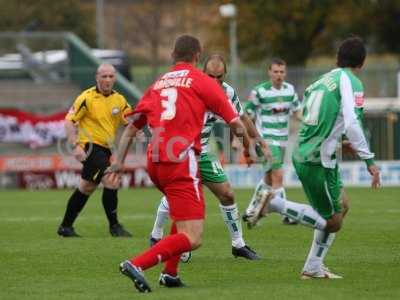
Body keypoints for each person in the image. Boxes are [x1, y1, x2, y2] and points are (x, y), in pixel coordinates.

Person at [109, 35, 269, 293]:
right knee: (194, 237)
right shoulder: (202, 82)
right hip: (182, 160)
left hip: (155, 160)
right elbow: (236, 123)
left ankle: (170, 274)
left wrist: (118, 161)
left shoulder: (159, 83)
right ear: (198, 55)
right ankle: (137, 264)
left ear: (173, 55)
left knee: (182, 216)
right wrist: (249, 149)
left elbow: (131, 127)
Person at [248, 36, 381, 279]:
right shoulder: (352, 82)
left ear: (338, 59)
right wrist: (369, 161)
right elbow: (352, 122)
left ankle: (312, 266)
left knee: (343, 206)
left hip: (312, 153)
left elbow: (319, 120)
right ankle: (276, 204)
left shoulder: (324, 80)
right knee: (334, 221)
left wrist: (339, 142)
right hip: (316, 159)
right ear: (361, 62)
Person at [148, 54, 271, 261]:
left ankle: (238, 244)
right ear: (202, 73)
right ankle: (157, 236)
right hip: (181, 152)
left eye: (219, 77)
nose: (214, 81)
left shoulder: (227, 92)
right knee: (176, 197)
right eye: (210, 76)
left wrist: (256, 142)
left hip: (202, 152)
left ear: (225, 75)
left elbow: (240, 118)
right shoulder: (190, 88)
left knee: (227, 194)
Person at [57, 63, 132, 238]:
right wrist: (74, 144)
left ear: (115, 78)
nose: (107, 80)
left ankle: (65, 227)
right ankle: (115, 227)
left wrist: (145, 133)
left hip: (105, 149)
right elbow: (69, 121)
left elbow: (131, 122)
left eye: (111, 76)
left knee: (86, 187)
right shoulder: (86, 98)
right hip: (90, 148)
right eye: (104, 76)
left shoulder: (119, 100)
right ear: (97, 78)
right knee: (111, 180)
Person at [242, 58, 301, 227]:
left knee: (268, 179)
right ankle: (287, 214)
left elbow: (297, 112)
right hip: (266, 140)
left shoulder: (290, 90)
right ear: (269, 72)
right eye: (275, 71)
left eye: (282, 72)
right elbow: (247, 116)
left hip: (282, 140)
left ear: (285, 73)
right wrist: (248, 141)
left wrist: (310, 123)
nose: (279, 75)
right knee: (278, 175)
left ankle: (251, 210)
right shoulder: (259, 92)